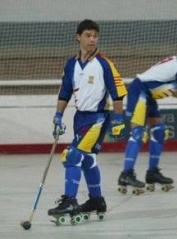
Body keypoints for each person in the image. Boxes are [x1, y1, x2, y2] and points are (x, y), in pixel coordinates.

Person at [48, 19, 127, 222]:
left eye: (95, 36)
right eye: (88, 35)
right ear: (79, 37)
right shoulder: (71, 64)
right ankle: (96, 200)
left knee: (72, 156)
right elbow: (64, 93)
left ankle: (70, 201)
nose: (92, 39)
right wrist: (58, 116)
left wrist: (118, 120)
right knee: (88, 160)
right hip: (79, 118)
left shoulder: (104, 64)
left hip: (98, 118)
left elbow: (117, 94)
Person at [117, 40, 177, 195]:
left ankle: (152, 172)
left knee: (159, 131)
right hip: (140, 91)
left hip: (148, 94)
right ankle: (126, 174)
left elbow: (176, 92)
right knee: (138, 133)